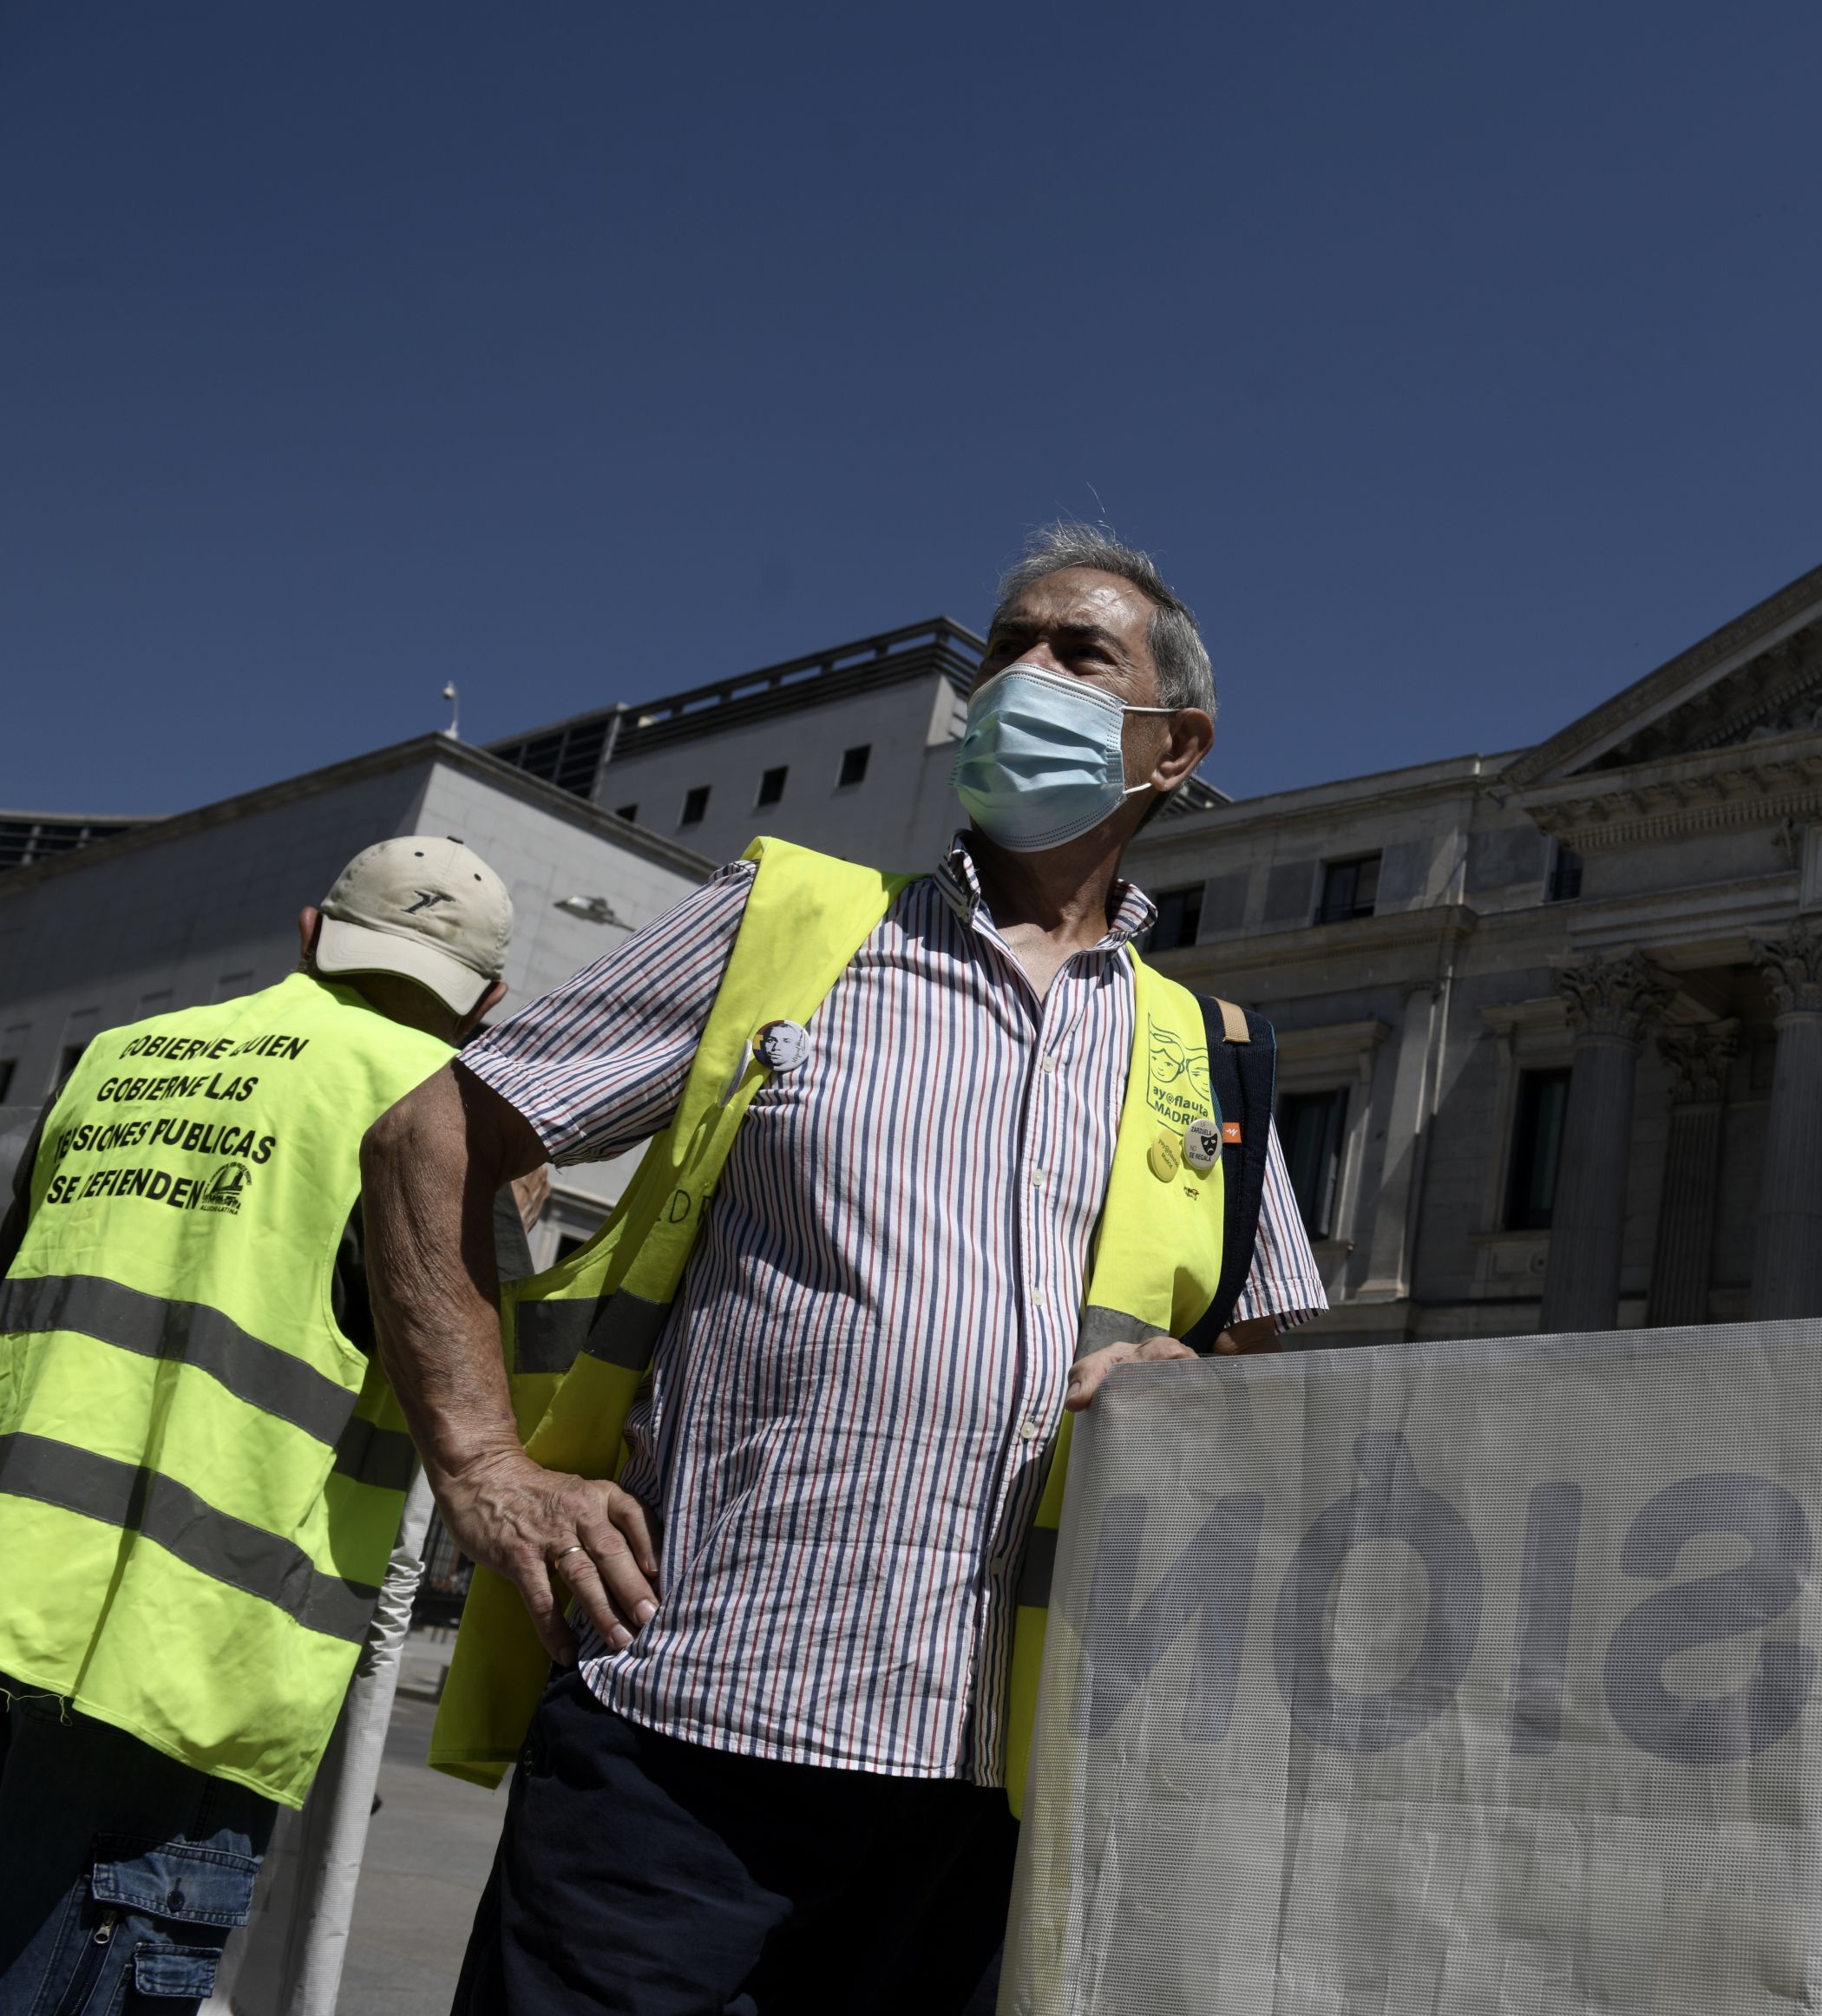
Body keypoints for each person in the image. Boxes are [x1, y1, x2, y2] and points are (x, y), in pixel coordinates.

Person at [359, 525, 1327, 2014]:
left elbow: (1282, 1395)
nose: (1019, 678)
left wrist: (1198, 1392)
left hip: (992, 1788)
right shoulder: (792, 922)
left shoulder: (1217, 1056)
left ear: (1172, 744)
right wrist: (485, 1464)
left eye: (1076, 653)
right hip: (687, 1737)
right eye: (1006, 648)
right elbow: (434, 1136)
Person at [0, 837, 514, 2016]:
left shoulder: (116, 1061)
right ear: (484, 1001)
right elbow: (488, 1390)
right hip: (187, 1648)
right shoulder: (431, 1108)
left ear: (307, 933)